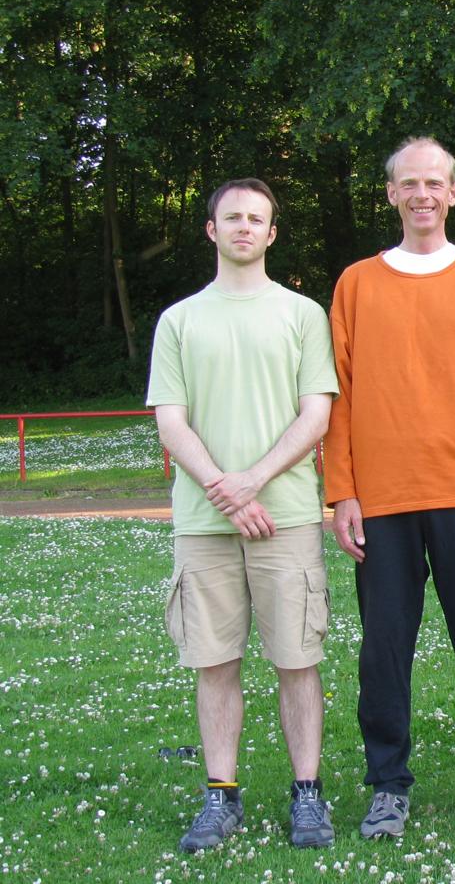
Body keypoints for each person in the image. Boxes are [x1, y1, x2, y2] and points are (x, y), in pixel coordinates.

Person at [324, 137, 455, 837]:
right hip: (381, 498)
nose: (421, 194)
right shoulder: (356, 283)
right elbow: (341, 395)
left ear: (454, 192)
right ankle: (387, 783)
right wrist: (341, 490)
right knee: (383, 648)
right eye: (408, 183)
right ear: (390, 194)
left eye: (433, 182)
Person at [147, 178, 338, 852]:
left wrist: (251, 481)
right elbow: (171, 420)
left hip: (284, 516)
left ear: (272, 233)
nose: (244, 228)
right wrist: (222, 489)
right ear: (212, 229)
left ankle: (307, 793)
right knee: (214, 661)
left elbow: (317, 411)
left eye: (257, 218)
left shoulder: (302, 314)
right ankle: (221, 794)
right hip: (203, 525)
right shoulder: (179, 320)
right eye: (233, 217)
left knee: (296, 658)